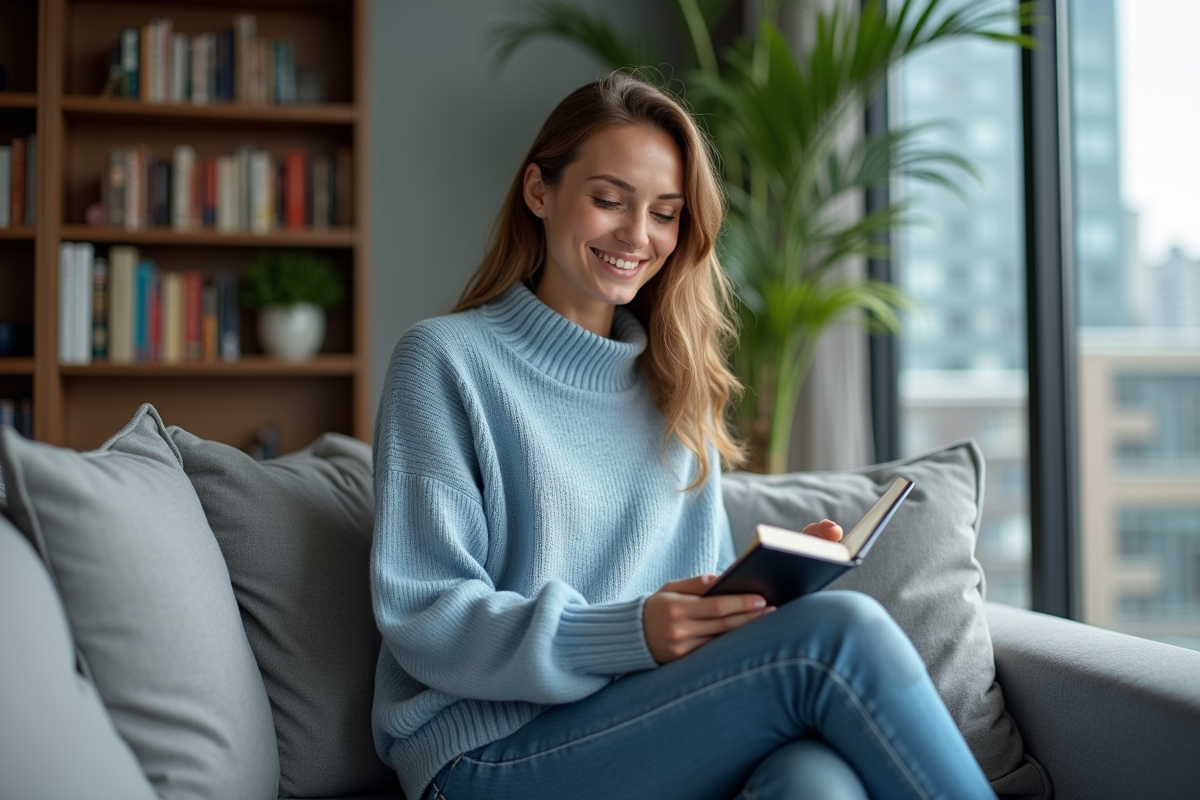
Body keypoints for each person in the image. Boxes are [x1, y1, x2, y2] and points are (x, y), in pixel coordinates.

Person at [371, 71, 996, 800]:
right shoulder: (445, 361)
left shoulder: (677, 382)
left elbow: (688, 610)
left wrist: (758, 602)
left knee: (816, 781)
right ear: (539, 192)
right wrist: (631, 631)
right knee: (841, 635)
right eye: (608, 200)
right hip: (486, 752)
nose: (637, 236)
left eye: (665, 213)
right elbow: (426, 614)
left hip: (640, 725)